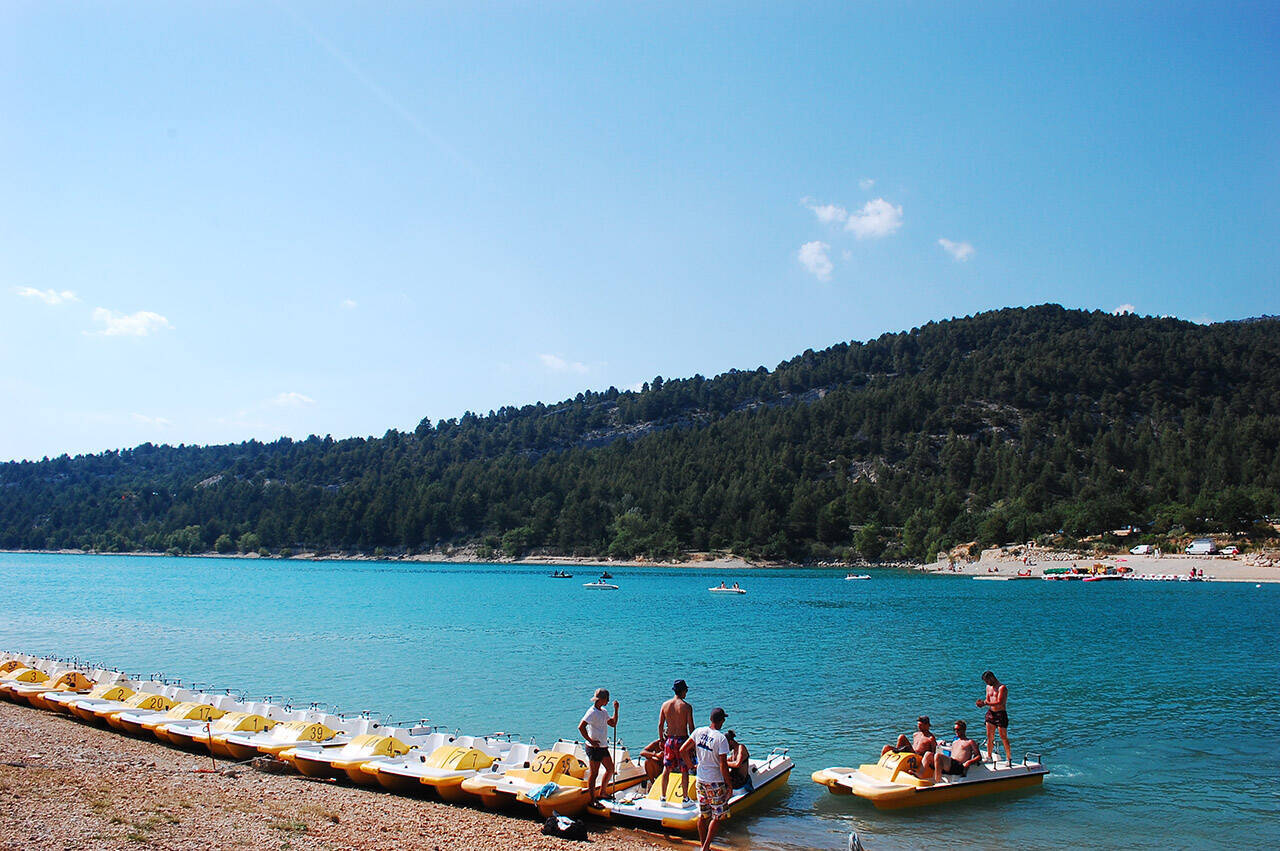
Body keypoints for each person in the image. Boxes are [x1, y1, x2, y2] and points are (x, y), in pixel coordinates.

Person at [679, 707, 733, 851]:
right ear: (722, 721)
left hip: (700, 779)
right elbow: (723, 765)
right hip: (715, 781)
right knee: (717, 816)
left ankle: (703, 845)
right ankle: (706, 847)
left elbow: (682, 750)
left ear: (710, 719)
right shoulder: (721, 739)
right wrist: (729, 785)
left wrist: (691, 766)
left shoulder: (698, 732)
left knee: (703, 815)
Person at [578, 687, 619, 804]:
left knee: (610, 769)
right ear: (601, 699)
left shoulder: (603, 711)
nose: (608, 701)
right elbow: (581, 727)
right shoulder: (592, 712)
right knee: (594, 773)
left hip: (603, 746)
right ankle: (592, 799)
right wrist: (590, 741)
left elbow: (613, 723)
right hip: (594, 748)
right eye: (607, 699)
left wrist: (616, 710)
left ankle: (602, 792)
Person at [658, 679, 695, 800]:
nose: (686, 693)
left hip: (669, 740)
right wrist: (693, 743)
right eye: (686, 690)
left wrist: (661, 740)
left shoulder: (665, 705)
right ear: (683, 691)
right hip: (682, 741)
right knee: (684, 769)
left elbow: (660, 725)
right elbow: (691, 726)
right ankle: (685, 798)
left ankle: (663, 796)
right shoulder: (687, 707)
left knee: (666, 768)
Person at [976, 670, 1012, 763]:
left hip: (1000, 713)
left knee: (1003, 736)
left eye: (987, 681)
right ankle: (989, 756)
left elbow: (1000, 702)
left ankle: (1008, 758)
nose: (987, 683)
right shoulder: (988, 687)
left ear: (992, 678)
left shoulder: (1002, 688)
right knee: (990, 736)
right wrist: (982, 703)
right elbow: (988, 699)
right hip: (991, 713)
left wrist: (985, 703)